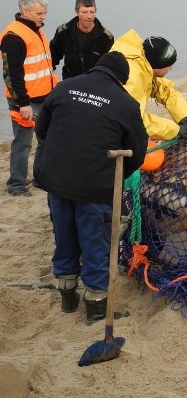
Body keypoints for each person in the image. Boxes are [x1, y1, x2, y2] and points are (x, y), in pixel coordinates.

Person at [34, 51, 147, 321]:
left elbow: (41, 129)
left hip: (56, 180)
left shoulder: (64, 87)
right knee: (95, 242)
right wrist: (113, 178)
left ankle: (68, 298)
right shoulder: (126, 103)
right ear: (121, 79)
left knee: (65, 237)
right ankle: (96, 309)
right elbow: (138, 153)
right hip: (95, 187)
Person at [0, 0, 58, 197]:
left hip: (44, 96)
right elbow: (11, 74)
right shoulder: (13, 37)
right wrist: (22, 103)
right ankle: (16, 185)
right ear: (25, 10)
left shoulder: (35, 30)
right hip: (24, 100)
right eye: (39, 13)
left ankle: (39, 178)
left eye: (44, 13)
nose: (43, 17)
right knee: (23, 142)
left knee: (45, 139)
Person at [110, 29, 187, 141]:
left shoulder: (142, 62)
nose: (171, 68)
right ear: (158, 64)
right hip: (105, 131)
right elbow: (133, 120)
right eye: (169, 65)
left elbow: (166, 90)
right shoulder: (132, 79)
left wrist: (184, 116)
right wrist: (175, 130)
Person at [49, 0, 114, 79]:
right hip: (70, 82)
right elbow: (52, 58)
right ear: (77, 12)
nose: (89, 16)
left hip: (94, 83)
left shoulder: (106, 37)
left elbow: (110, 67)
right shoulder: (64, 32)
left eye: (92, 12)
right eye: (84, 12)